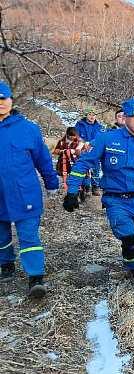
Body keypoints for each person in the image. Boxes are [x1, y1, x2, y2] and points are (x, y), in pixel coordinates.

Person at [63, 98, 134, 298]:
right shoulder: (107, 138)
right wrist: (72, 190)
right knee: (129, 239)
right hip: (117, 200)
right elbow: (84, 163)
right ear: (125, 117)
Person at [0, 80, 59, 297]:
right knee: (1, 236)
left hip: (24, 192)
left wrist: (51, 182)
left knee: (28, 235)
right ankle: (6, 264)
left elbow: (43, 159)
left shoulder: (28, 129)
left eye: (3, 98)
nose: (0, 103)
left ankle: (35, 277)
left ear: (11, 100)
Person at [75, 107, 105, 195]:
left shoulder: (99, 127)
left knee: (96, 168)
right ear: (86, 115)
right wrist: (82, 143)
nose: (92, 117)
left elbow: (101, 138)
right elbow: (75, 136)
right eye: (90, 114)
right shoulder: (79, 124)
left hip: (95, 149)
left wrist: (93, 144)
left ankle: (95, 186)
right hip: (82, 148)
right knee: (84, 168)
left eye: (94, 115)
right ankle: (85, 187)